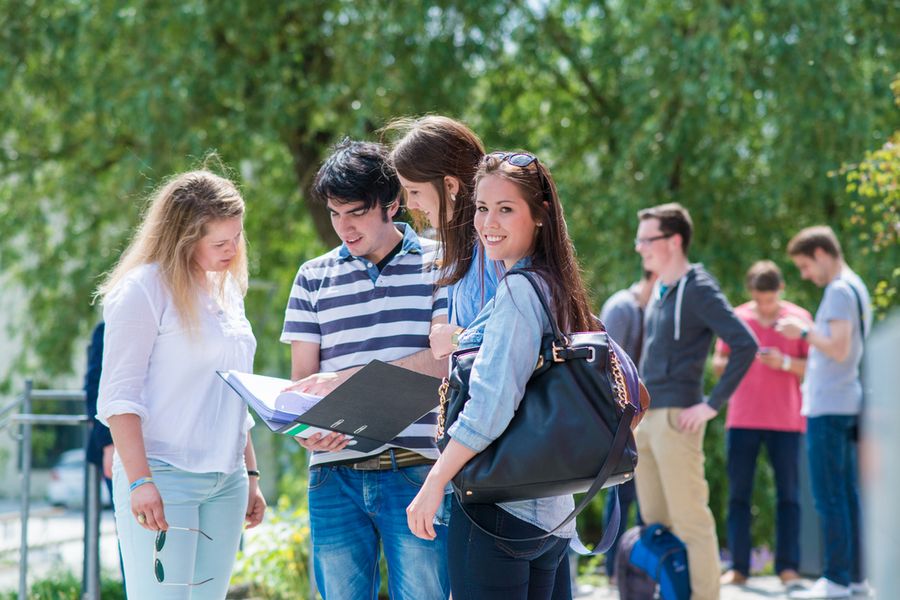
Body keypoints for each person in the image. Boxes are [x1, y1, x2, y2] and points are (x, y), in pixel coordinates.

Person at [407, 150, 597, 599]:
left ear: (540, 217)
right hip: (551, 514)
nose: (488, 222)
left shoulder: (517, 290)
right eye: (483, 208)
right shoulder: (558, 288)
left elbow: (490, 406)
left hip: (498, 514)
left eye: (506, 209)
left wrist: (434, 482)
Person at [281, 139, 450, 599]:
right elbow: (303, 386)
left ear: (391, 203)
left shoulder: (443, 264)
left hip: (416, 471)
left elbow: (444, 363)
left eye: (354, 212)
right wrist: (305, 432)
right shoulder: (311, 277)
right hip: (333, 475)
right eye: (335, 214)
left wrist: (346, 380)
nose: (343, 227)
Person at [96, 170, 267, 599]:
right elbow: (119, 399)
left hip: (226, 481)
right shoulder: (142, 290)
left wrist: (251, 475)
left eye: (237, 238)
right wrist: (139, 482)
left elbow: (233, 392)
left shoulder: (227, 290)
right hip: (163, 474)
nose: (232, 250)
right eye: (219, 242)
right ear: (184, 237)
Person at [633, 202, 757, 600]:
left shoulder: (699, 287)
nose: (639, 248)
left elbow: (744, 344)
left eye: (646, 239)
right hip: (647, 420)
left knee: (691, 523)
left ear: (673, 241)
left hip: (677, 420)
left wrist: (711, 404)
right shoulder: (660, 291)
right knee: (656, 525)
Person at [777, 226, 872, 600]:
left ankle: (835, 579)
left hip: (830, 406)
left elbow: (838, 347)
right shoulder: (855, 286)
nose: (805, 275)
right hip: (844, 402)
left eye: (804, 265)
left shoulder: (837, 290)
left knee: (829, 495)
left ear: (820, 253)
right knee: (846, 493)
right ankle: (855, 578)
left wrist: (802, 332)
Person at [714, 261, 810, 588]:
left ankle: (788, 568)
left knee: (789, 496)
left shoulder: (798, 320)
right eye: (760, 299)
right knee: (738, 494)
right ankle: (739, 567)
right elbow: (718, 364)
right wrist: (739, 360)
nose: (766, 307)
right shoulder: (738, 318)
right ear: (751, 293)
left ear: (781, 290)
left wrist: (783, 362)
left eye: (771, 299)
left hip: (787, 421)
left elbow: (814, 369)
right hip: (742, 419)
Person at [386, 114, 502, 355]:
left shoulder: (495, 245)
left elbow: (524, 332)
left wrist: (458, 339)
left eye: (414, 191)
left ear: (450, 185)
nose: (412, 205)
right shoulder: (461, 252)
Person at [598, 269, 656, 583]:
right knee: (621, 493)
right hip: (625, 417)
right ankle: (614, 572)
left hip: (651, 415)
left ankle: (641, 571)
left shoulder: (655, 311)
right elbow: (609, 365)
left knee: (648, 496)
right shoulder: (622, 307)